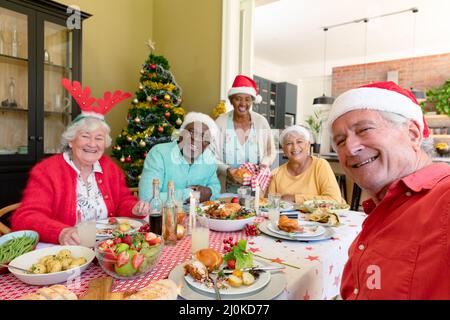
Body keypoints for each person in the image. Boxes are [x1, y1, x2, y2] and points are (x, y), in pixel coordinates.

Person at [328, 81, 450, 300]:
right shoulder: (381, 210)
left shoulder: (444, 199)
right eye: (340, 140)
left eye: (364, 129)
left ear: (413, 134)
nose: (350, 148)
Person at [12, 79, 149, 245]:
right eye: (85, 136)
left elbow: (122, 201)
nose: (92, 144)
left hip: (108, 247)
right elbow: (26, 217)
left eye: (98, 138)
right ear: (71, 140)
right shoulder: (47, 170)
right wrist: (61, 232)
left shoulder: (109, 168)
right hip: (67, 252)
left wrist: (134, 208)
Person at [139, 112, 220, 203]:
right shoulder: (159, 153)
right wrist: (189, 194)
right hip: (163, 216)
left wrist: (209, 192)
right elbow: (147, 199)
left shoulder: (209, 159)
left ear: (207, 144)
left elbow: (216, 190)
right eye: (192, 132)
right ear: (181, 132)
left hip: (198, 216)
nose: (196, 139)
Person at [214, 75, 276, 192]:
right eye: (238, 98)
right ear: (232, 100)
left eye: (247, 99)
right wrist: (227, 170)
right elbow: (211, 156)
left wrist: (264, 165)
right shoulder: (220, 122)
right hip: (226, 190)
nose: (243, 103)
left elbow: (270, 151)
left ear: (252, 101)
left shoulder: (261, 122)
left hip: (256, 189)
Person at [267, 125, 343, 203]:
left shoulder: (320, 165)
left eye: (299, 142)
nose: (295, 147)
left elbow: (334, 200)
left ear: (308, 145)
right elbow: (270, 204)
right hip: (285, 216)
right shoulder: (276, 174)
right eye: (289, 143)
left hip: (321, 215)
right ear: (283, 149)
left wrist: (295, 198)